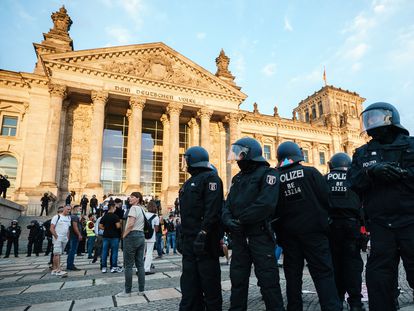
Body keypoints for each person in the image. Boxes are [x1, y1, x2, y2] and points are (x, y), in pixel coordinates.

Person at [348, 102, 414, 311]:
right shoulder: (362, 153)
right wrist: (371, 172)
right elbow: (353, 182)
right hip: (380, 225)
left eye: (375, 117)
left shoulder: (411, 145)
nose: (371, 122)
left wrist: (401, 174)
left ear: (390, 119)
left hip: (410, 221)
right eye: (367, 119)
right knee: (379, 279)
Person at [275, 141, 341, 311]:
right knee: (323, 273)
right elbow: (326, 198)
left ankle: (294, 307)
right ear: (298, 156)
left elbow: (272, 209)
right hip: (314, 233)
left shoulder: (275, 178)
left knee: (292, 275)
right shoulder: (310, 172)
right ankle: (331, 307)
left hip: (288, 236)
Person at [222, 137, 284, 311]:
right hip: (240, 237)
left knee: (268, 280)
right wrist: (227, 220)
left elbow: (265, 204)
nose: (236, 157)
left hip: (260, 235)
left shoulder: (269, 174)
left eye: (239, 153)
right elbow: (227, 204)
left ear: (249, 153)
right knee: (237, 279)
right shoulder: (237, 178)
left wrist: (240, 221)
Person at [178, 146, 223, 310]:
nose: (184, 163)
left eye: (186, 159)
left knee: (209, 283)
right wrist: (181, 236)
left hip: (205, 242)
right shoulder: (187, 183)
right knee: (189, 284)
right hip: (190, 241)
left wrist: (203, 233)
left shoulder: (211, 179)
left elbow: (213, 210)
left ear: (194, 159)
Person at [325, 152, 365, 311]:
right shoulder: (355, 179)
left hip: (331, 227)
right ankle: (355, 302)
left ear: (331, 165)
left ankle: (337, 299)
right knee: (353, 265)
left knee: (334, 264)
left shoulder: (324, 179)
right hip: (352, 227)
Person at [116, 192, 146, 298]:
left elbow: (130, 224)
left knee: (128, 266)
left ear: (138, 199)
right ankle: (141, 290)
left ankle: (127, 291)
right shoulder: (142, 209)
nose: (130, 198)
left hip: (132, 235)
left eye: (132, 197)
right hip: (141, 236)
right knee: (140, 265)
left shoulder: (133, 208)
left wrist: (124, 236)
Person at [99, 201, 122, 273]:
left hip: (106, 236)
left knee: (105, 252)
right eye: (115, 207)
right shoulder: (115, 216)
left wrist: (106, 228)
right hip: (114, 236)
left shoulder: (104, 216)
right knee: (114, 252)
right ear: (112, 207)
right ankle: (114, 267)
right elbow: (118, 226)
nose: (115, 209)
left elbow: (100, 226)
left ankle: (104, 267)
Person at [50, 205, 71, 277]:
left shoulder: (68, 218)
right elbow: (51, 228)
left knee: (59, 254)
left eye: (70, 209)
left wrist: (67, 238)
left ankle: (55, 269)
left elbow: (68, 229)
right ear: (64, 209)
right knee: (56, 253)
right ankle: (58, 269)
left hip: (64, 238)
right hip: (58, 238)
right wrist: (56, 236)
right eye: (67, 209)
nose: (69, 210)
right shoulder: (57, 217)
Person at [144, 201, 159, 275]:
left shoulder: (144, 214)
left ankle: (138, 269)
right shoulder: (156, 217)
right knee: (149, 253)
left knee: (141, 253)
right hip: (151, 237)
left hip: (142, 236)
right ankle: (146, 269)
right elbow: (156, 229)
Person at [66, 205, 82, 271]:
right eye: (80, 209)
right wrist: (79, 235)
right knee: (72, 251)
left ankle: (70, 264)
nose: (81, 210)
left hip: (73, 236)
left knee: (72, 250)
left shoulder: (72, 216)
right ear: (76, 209)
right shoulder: (74, 217)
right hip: (74, 236)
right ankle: (70, 265)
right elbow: (75, 227)